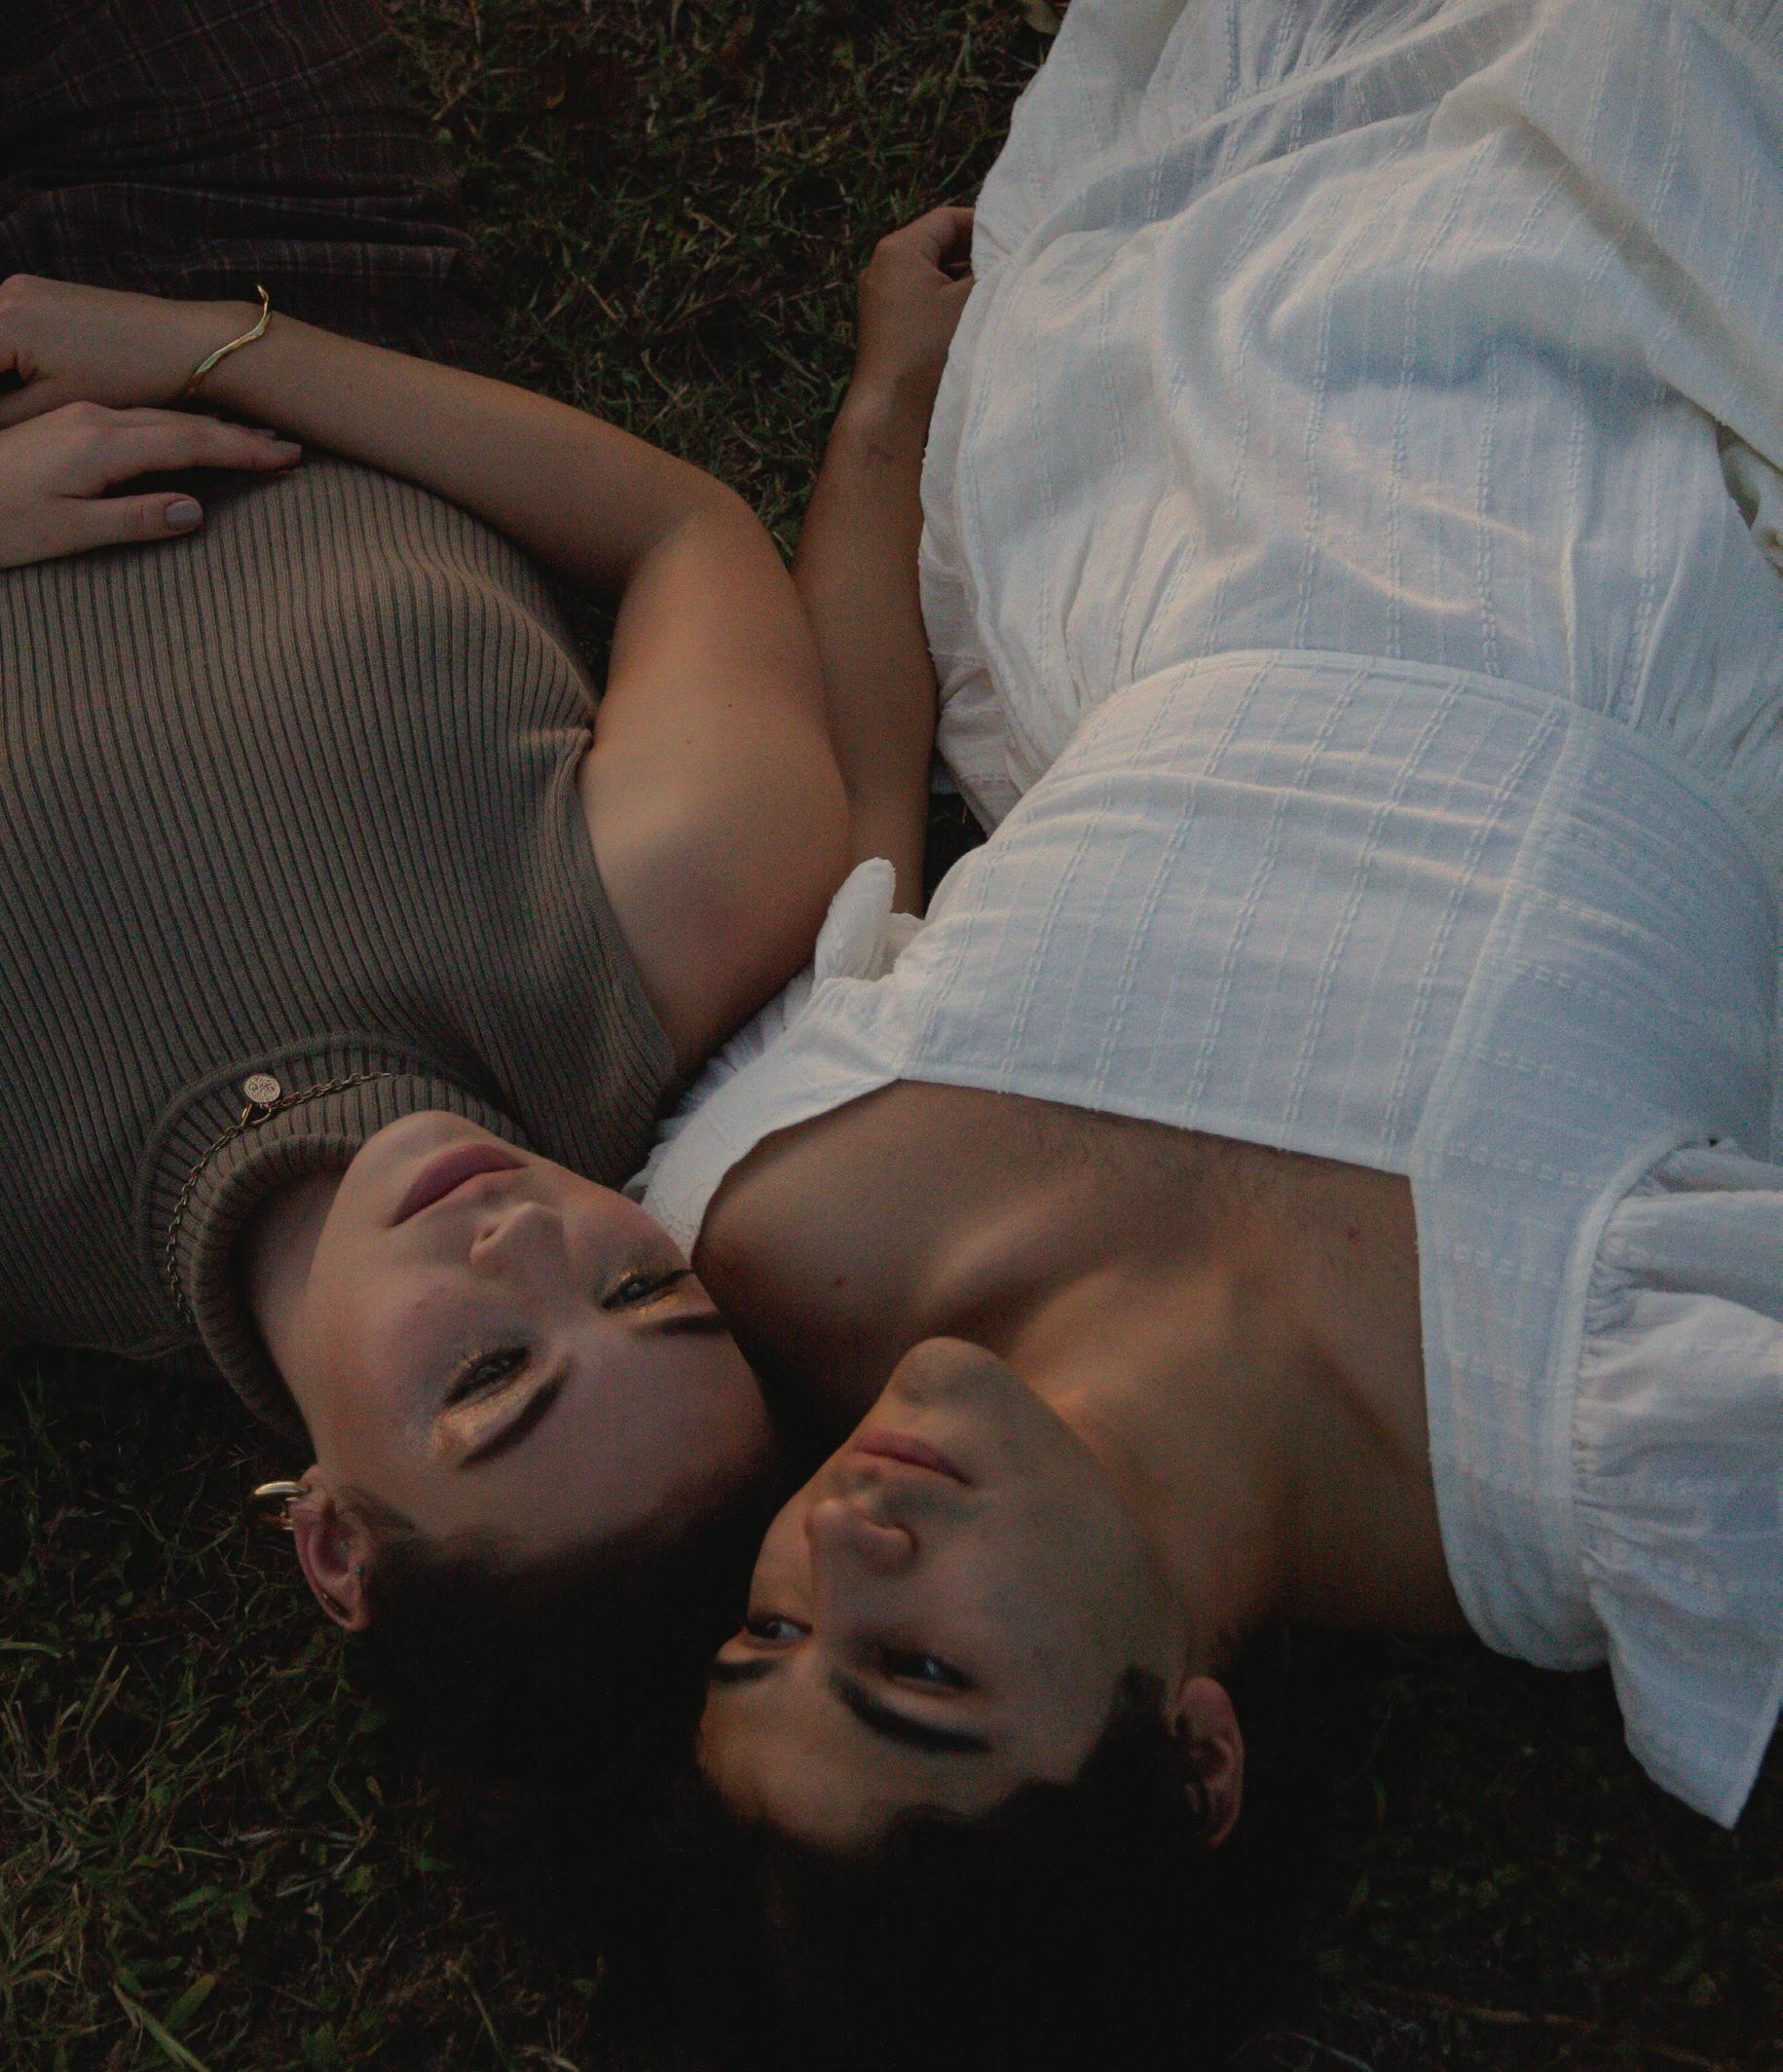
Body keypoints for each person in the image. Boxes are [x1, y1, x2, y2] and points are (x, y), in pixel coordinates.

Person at [608, 0, 1781, 2050]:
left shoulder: (774, 1213)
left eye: (768, 1631)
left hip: (1201, 435)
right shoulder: (1598, 1455)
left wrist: (890, 410)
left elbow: (867, 799)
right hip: (1690, 530)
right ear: (1195, 1756)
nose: (849, 1543)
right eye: (924, 1672)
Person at [0, 0, 961, 1642]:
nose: (525, 1243)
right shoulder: (649, 930)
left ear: (333, 1543)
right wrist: (197, 341)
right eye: (641, 1285)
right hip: (264, 267)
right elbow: (675, 532)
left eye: (489, 1377)